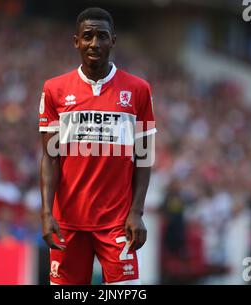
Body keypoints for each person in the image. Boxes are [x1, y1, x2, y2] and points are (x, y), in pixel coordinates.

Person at [38, 7, 157, 285]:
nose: (95, 43)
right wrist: (45, 214)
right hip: (68, 222)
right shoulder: (54, 89)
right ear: (76, 41)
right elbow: (50, 157)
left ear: (113, 40)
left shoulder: (138, 90)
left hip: (117, 222)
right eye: (87, 36)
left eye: (102, 36)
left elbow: (144, 155)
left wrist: (137, 212)